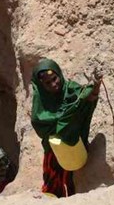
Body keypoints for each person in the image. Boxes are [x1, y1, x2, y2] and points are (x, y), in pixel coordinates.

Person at [31, 58, 102, 197]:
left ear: (59, 74)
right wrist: (62, 119)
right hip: (53, 149)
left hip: (73, 147)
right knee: (52, 182)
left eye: (54, 78)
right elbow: (38, 122)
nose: (53, 84)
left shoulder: (70, 89)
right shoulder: (40, 102)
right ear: (41, 86)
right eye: (47, 83)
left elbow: (87, 98)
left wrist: (96, 85)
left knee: (69, 182)